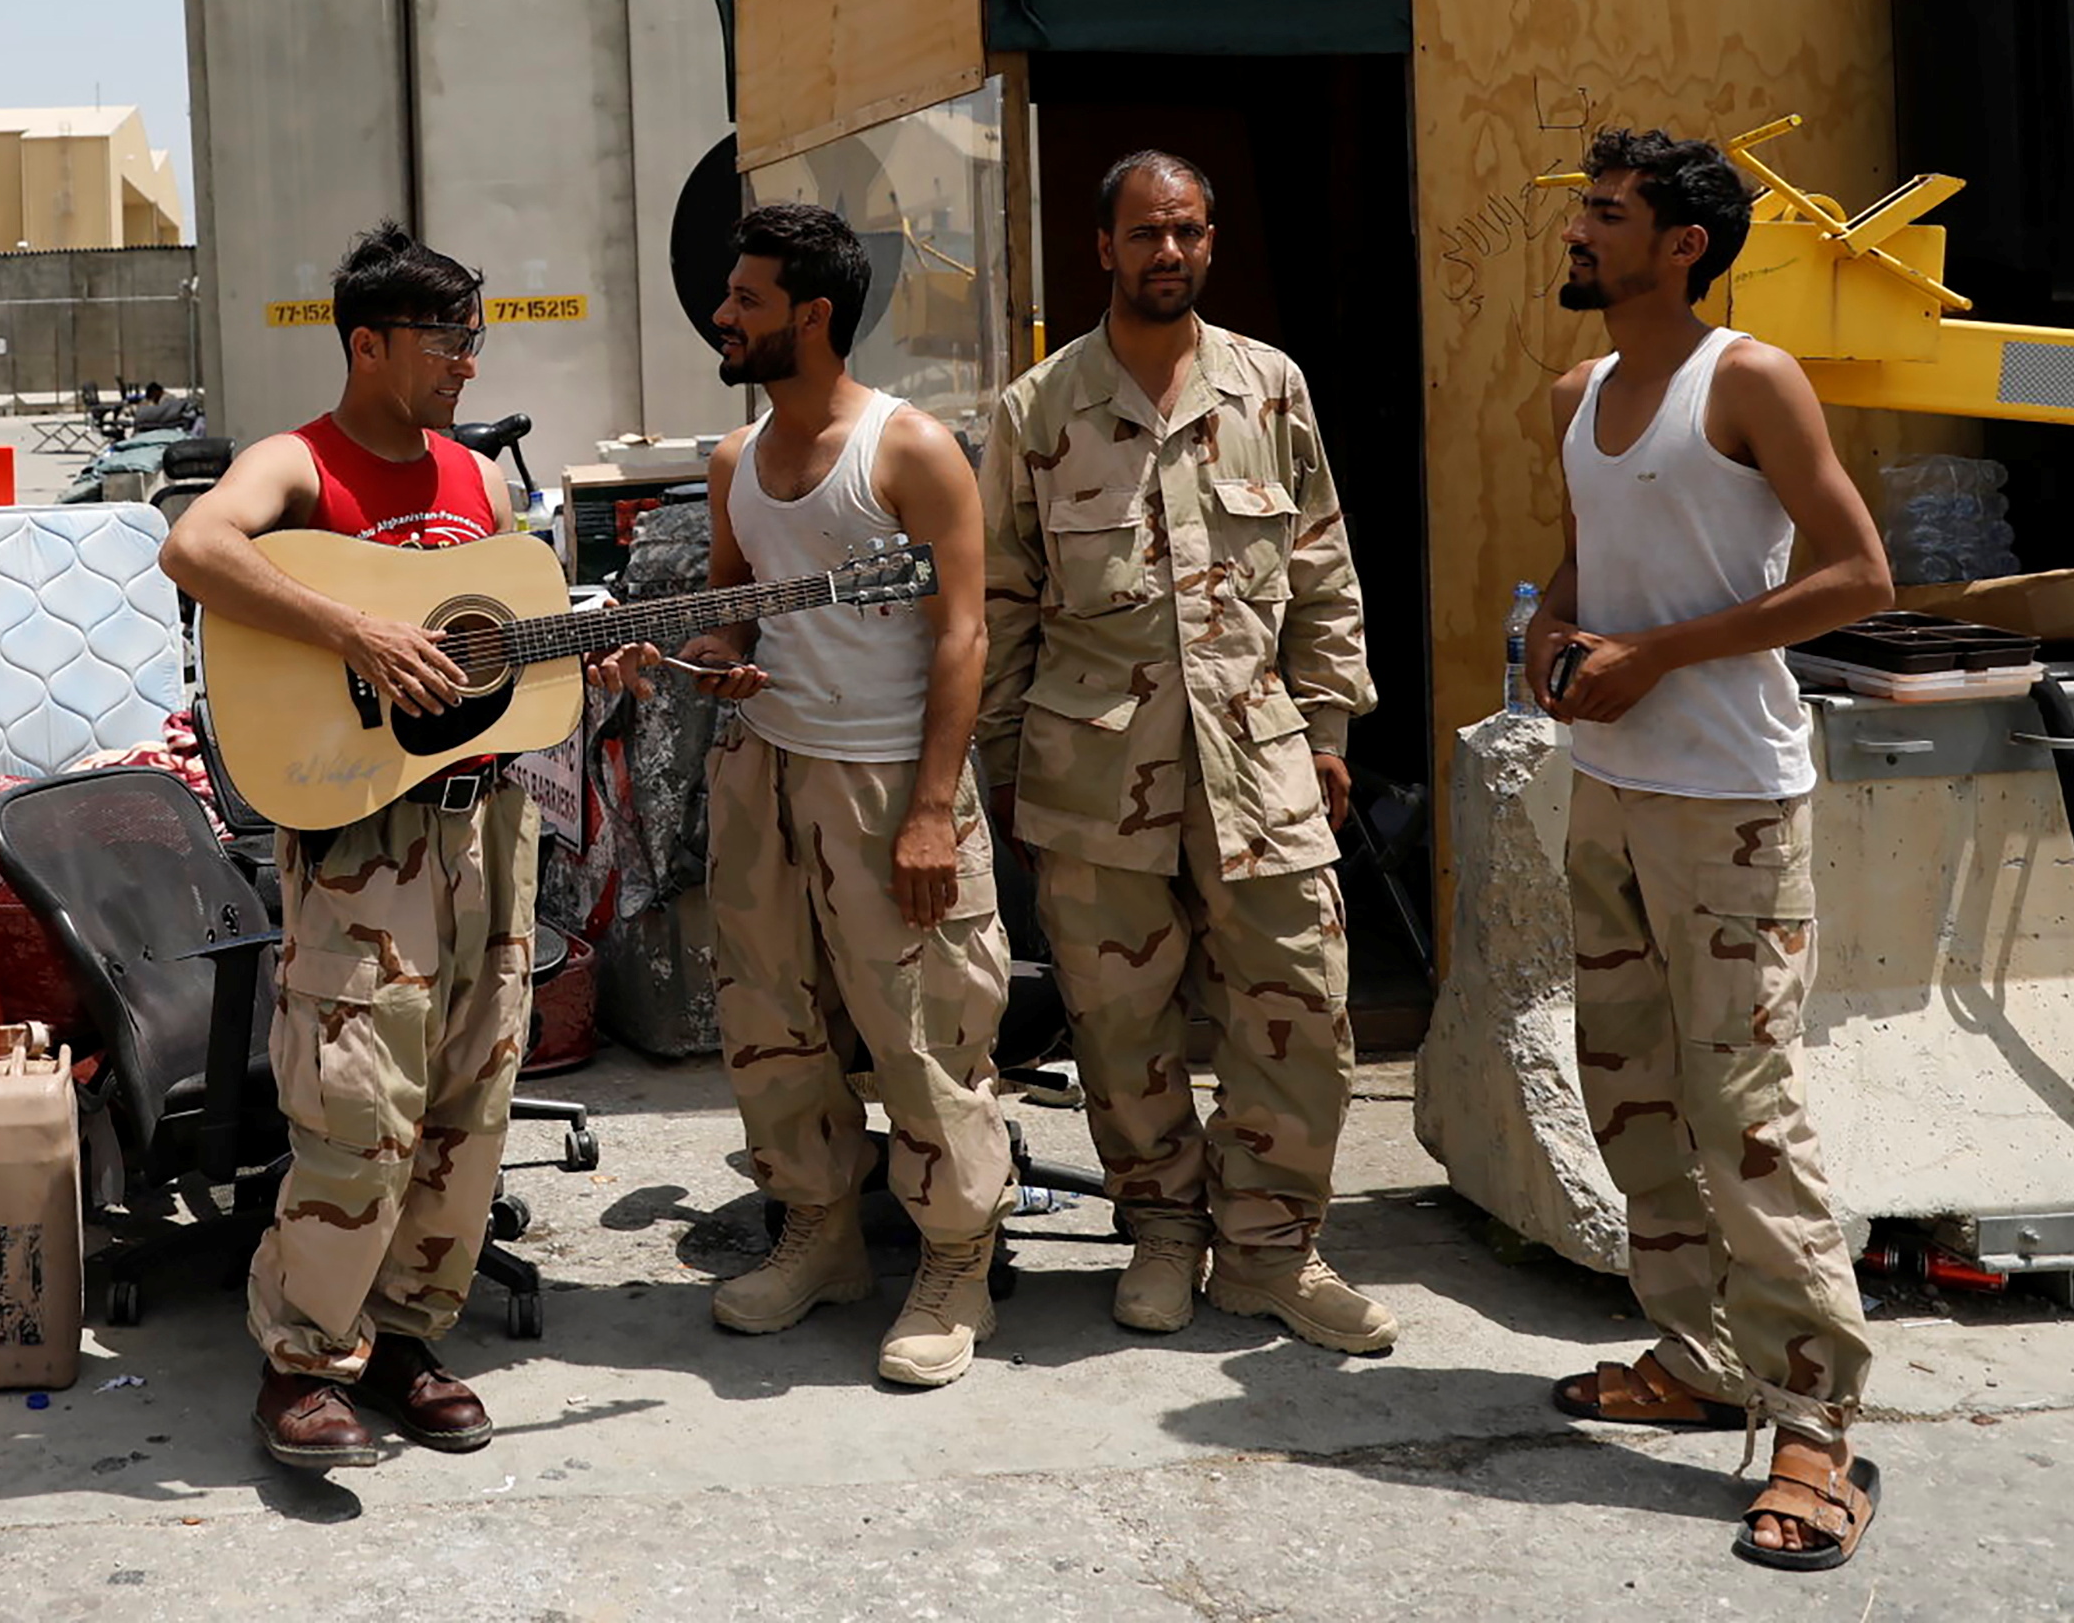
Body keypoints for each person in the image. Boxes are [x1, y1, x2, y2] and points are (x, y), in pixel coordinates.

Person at [1526, 128, 1890, 1572]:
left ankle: (1816, 1426)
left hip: (1730, 801)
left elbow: (1857, 573)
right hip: (1606, 788)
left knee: (1745, 1110)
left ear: (1682, 245)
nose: (1578, 232)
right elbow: (1583, 561)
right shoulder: (1577, 391)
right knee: (1631, 1091)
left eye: (1605, 214)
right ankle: (1701, 1358)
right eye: (1582, 210)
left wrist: (1659, 655)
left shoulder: (1747, 378)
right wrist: (1554, 630)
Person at [977, 151, 1392, 1353]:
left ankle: (1270, 1249)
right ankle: (1161, 1230)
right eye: (1145, 232)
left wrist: (1325, 727)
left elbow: (1320, 567)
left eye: (1188, 230)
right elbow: (1000, 603)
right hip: (1091, 774)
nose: (1168, 251)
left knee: (1298, 1008)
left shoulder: (1268, 386)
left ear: (1210, 240)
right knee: (1118, 1023)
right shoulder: (1038, 409)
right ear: (1101, 246)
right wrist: (1002, 770)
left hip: (1259, 761)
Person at [592, 202, 1009, 1384]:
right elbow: (735, 612)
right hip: (763, 771)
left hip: (884, 779)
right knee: (770, 1019)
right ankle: (819, 1232)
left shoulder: (909, 450)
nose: (720, 314)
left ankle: (955, 1260)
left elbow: (963, 634)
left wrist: (929, 809)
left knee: (922, 1029)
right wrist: (705, 654)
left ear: (812, 314)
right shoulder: (736, 460)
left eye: (746, 298)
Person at [159, 222, 536, 1474]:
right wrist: (354, 631)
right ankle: (301, 1362)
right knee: (358, 1101)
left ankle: (404, 1337)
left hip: (485, 824)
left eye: (473, 340)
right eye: (445, 341)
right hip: (361, 836)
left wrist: (610, 657)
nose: (466, 364)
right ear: (367, 344)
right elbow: (194, 546)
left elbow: (511, 646)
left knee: (470, 1096)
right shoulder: (298, 462)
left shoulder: (479, 480)